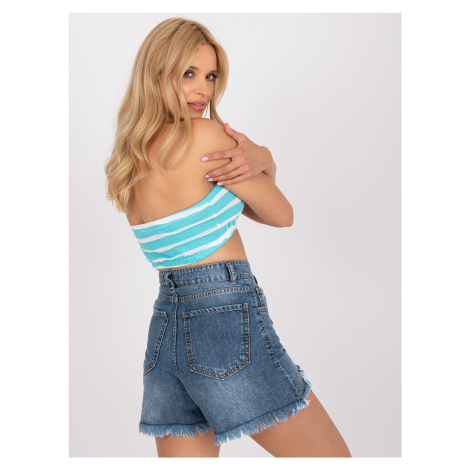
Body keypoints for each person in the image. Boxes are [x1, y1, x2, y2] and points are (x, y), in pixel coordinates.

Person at [104, 17, 351, 458]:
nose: (203, 90)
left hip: (166, 328)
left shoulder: (129, 160)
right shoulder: (205, 137)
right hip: (224, 317)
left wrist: (259, 161)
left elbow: (238, 209)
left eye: (211, 76)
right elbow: (281, 214)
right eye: (189, 74)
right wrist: (264, 158)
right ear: (155, 73)